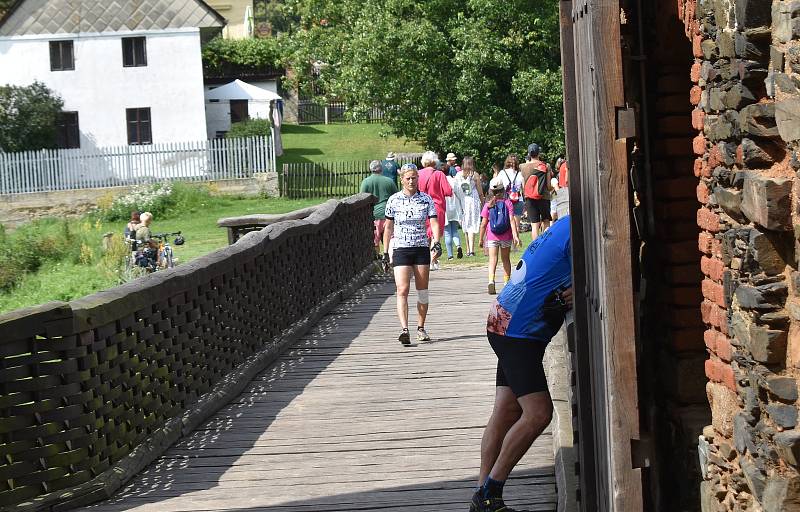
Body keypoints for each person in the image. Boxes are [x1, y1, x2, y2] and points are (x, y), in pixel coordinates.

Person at [470, 215, 573, 512]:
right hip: (519, 333)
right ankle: (490, 491)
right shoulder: (580, 230)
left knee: (505, 411)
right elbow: (597, 270)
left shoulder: (565, 223)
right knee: (539, 413)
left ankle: (482, 496)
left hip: (501, 321)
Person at [383, 164, 442, 346]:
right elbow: (389, 227)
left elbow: (433, 223)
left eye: (414, 178)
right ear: (401, 179)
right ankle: (404, 330)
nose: (411, 181)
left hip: (420, 248)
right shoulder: (393, 200)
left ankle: (421, 327)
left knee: (422, 292)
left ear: (418, 179)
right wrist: (385, 252)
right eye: (407, 178)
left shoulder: (426, 200)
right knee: (402, 289)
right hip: (401, 248)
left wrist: (436, 242)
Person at [479, 183, 520, 295]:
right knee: (506, 259)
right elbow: (512, 220)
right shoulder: (508, 203)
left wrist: (481, 239)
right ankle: (506, 283)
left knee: (493, 259)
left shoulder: (488, 204)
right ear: (503, 191)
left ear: (491, 191)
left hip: (492, 236)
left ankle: (491, 280)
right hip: (506, 236)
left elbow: (483, 224)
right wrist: (516, 235)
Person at [418, 151, 452, 268]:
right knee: (435, 235)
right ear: (435, 161)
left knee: (424, 235)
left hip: (421, 207)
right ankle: (431, 261)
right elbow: (448, 191)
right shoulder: (439, 175)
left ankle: (425, 260)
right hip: (437, 206)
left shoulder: (417, 174)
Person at [360, 160, 398, 255]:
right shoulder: (389, 181)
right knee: (390, 239)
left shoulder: (366, 182)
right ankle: (390, 260)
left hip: (374, 215)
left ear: (370, 169)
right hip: (388, 215)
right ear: (382, 169)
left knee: (375, 241)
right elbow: (396, 198)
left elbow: (361, 199)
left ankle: (377, 259)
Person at [453, 156, 485, 256]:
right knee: (472, 224)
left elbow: (455, 189)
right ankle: (471, 250)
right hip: (473, 201)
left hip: (463, 201)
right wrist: (483, 203)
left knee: (465, 224)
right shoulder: (475, 175)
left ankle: (467, 249)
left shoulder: (458, 175)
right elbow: (480, 192)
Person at [521, 144, 553, 238]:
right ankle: (546, 244)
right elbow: (548, 185)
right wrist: (553, 188)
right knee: (546, 222)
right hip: (544, 197)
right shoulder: (545, 166)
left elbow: (523, 186)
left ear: (529, 154)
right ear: (539, 153)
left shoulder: (523, 167)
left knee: (534, 225)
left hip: (530, 198)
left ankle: (535, 248)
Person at [490, 155, 525, 238]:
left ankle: (507, 242)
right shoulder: (519, 174)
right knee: (516, 225)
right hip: (518, 200)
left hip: (506, 201)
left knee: (506, 223)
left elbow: (496, 184)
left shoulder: (502, 173)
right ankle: (515, 244)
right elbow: (523, 189)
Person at [444, 170, 463, 260]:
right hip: (455, 207)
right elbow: (459, 194)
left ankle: (450, 255)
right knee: (455, 230)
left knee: (447, 232)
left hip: (445, 207)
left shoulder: (441, 180)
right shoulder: (454, 180)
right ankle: (458, 245)